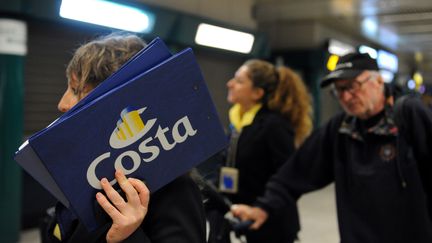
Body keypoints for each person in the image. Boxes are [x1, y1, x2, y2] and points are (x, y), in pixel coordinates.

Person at [231, 52, 432, 243]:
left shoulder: (408, 115)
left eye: (352, 86)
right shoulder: (340, 129)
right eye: (339, 90)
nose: (345, 97)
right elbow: (294, 173)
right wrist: (263, 208)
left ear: (378, 81)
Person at [43, 33, 206, 243]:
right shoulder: (89, 170)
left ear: (114, 100)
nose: (62, 103)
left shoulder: (174, 187)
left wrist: (128, 237)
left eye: (76, 90)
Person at [208, 59, 313, 243]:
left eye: (239, 81)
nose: (229, 83)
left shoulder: (274, 126)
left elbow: (288, 177)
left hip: (268, 226)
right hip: (235, 218)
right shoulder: (238, 123)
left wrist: (263, 208)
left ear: (257, 93)